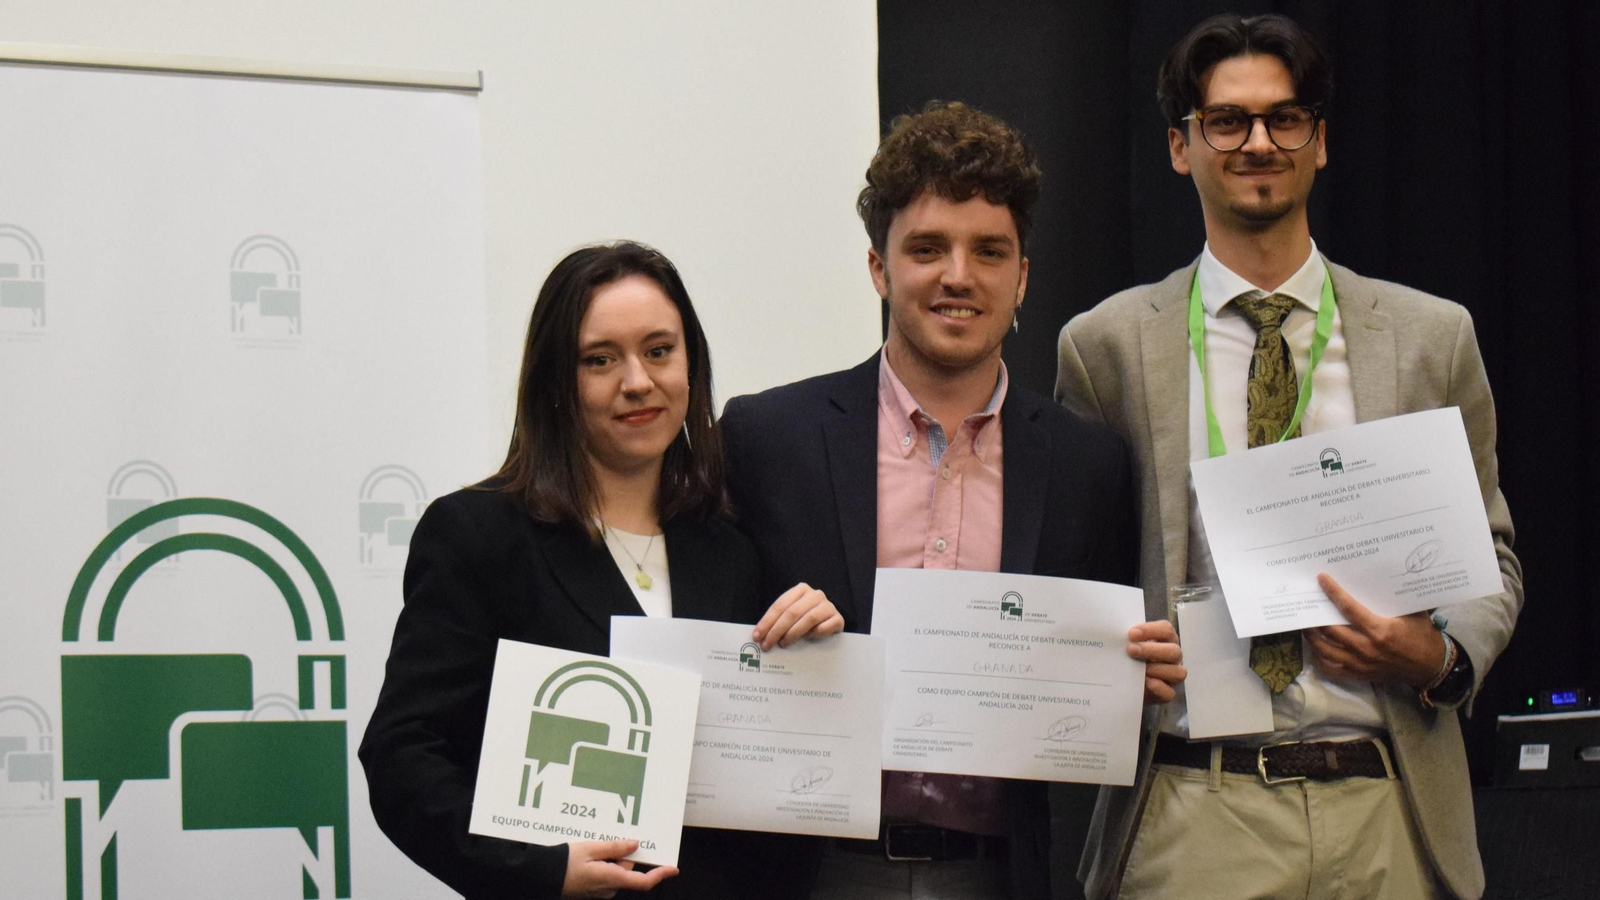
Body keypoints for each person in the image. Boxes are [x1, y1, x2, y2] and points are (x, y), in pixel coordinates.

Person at [1055, 14, 1523, 900]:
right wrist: (1114, 653)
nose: (1258, 141)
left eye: (1285, 118)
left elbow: (1491, 557)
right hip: (1195, 805)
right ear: (1180, 148)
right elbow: (1085, 575)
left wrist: (1439, 657)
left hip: (1387, 804)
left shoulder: (1430, 337)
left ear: (1319, 143)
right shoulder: (1106, 348)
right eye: (1226, 120)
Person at [721, 101, 1185, 900]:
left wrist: (1134, 677)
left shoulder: (1087, 463)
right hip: (811, 871)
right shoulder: (768, 437)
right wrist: (763, 640)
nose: (959, 276)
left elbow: (1102, 686)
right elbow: (708, 645)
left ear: (1023, 277)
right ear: (879, 267)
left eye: (989, 251)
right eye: (927, 248)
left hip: (1006, 875)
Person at [360, 241, 844, 900]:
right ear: (557, 382)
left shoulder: (731, 548)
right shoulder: (478, 535)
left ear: (691, 365)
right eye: (600, 359)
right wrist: (537, 870)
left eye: (658, 350)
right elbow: (403, 755)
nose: (637, 381)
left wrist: (817, 661)